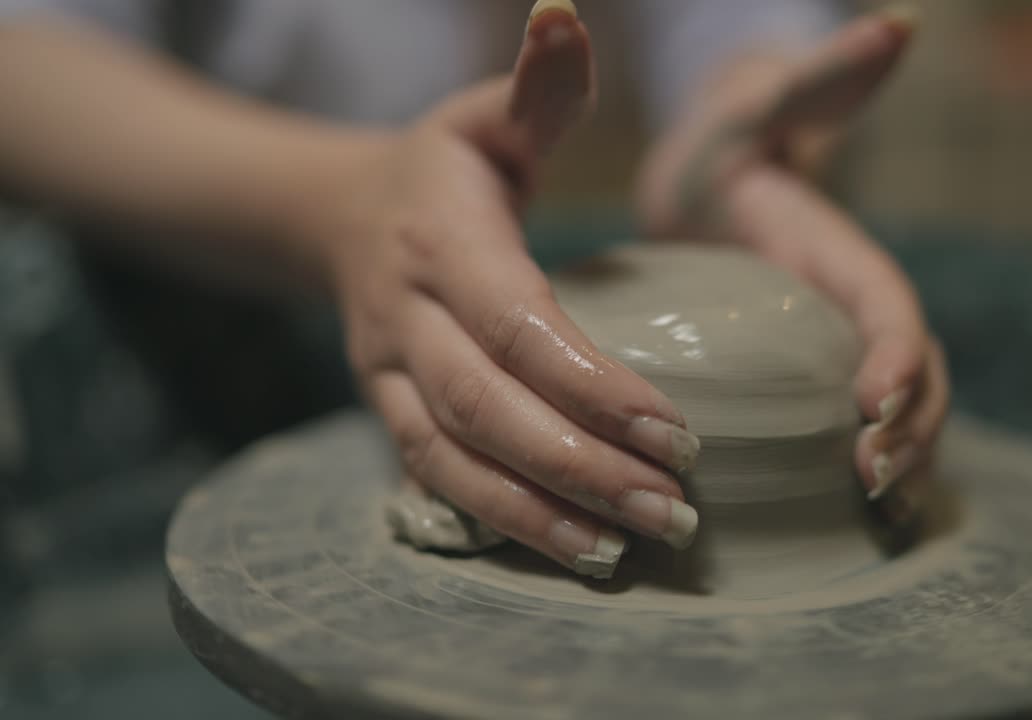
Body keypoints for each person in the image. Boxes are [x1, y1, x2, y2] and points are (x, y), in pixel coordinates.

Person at [0, 0, 949, 576]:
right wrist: (344, 208)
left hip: (455, 242)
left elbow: (728, 19)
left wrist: (742, 129)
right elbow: (25, 51)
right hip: (181, 292)